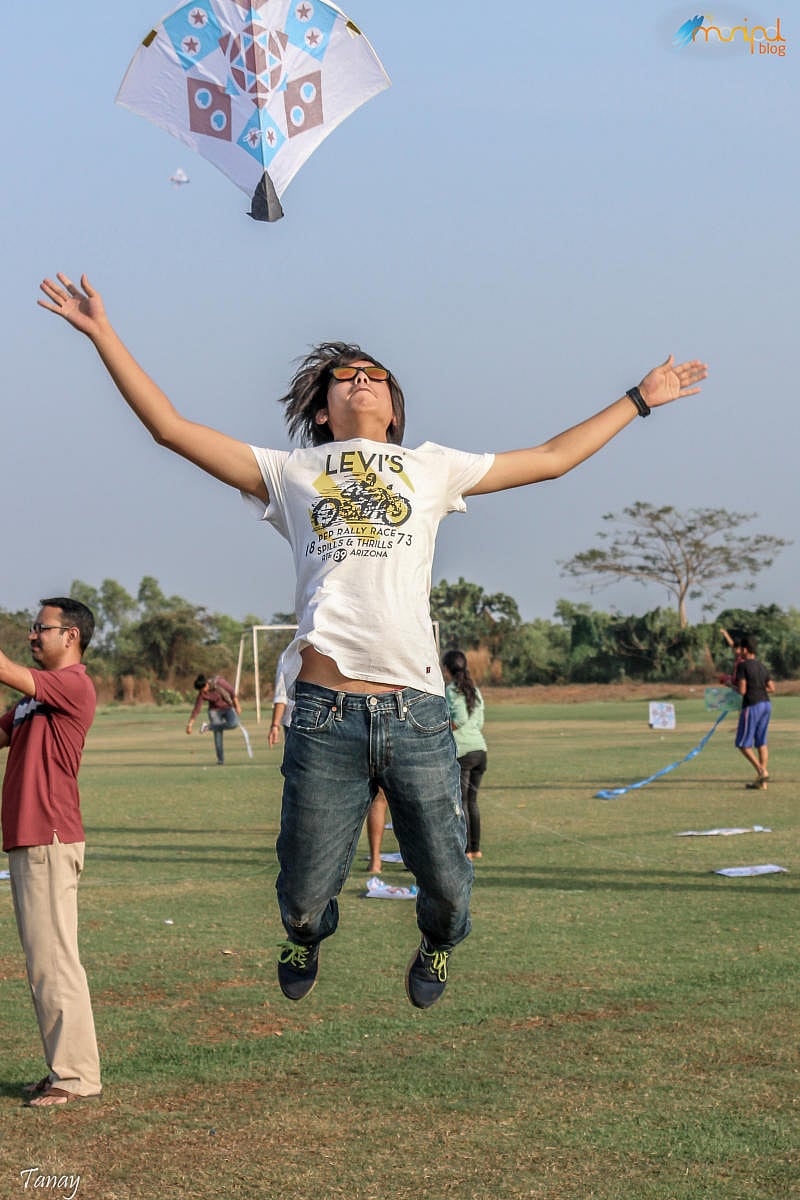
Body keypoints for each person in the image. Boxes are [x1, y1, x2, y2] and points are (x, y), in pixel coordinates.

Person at [38, 271, 707, 1009]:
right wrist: (103, 333)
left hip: (417, 714)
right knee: (299, 894)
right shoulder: (291, 473)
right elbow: (170, 428)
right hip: (324, 715)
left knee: (450, 891)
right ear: (322, 412)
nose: (360, 381)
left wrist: (640, 399)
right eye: (343, 377)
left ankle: (440, 944)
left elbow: (550, 458)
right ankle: (305, 933)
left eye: (374, 376)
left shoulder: (431, 467)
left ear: (393, 410)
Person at [0, 597, 102, 1106]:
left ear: (71, 637)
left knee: (55, 962)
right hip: (26, 838)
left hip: (49, 838)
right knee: (44, 962)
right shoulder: (29, 703)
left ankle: (76, 1077)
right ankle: (64, 1069)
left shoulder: (73, 683)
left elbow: (9, 670)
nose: (33, 635)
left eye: (42, 628)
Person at [443, 650, 487, 861]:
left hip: (464, 752)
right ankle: (476, 848)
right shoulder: (475, 690)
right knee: (472, 802)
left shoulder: (452, 690)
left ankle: (467, 849)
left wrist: (443, 727)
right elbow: (478, 723)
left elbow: (458, 719)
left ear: (446, 669)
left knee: (461, 802)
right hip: (480, 750)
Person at [733, 636, 774, 789]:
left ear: (745, 650)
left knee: (742, 744)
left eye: (740, 650)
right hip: (766, 705)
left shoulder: (743, 666)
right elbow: (771, 688)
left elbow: (742, 691)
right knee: (761, 743)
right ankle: (762, 784)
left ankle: (761, 771)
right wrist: (758, 688)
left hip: (752, 705)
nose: (738, 652)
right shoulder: (762, 666)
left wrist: (731, 686)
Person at [187, 673, 251, 764]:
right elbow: (196, 709)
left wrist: (237, 705)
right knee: (218, 735)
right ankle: (220, 760)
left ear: (206, 684)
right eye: (200, 691)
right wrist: (190, 724)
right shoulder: (202, 694)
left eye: (202, 689)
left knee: (234, 723)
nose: (202, 692)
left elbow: (232, 692)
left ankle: (208, 727)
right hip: (214, 711)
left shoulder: (219, 682)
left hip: (228, 708)